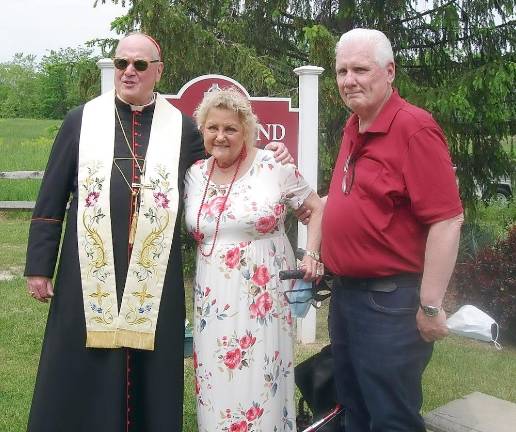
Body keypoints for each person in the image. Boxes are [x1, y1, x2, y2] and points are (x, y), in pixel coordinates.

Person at [24, 33, 293, 432]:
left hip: (155, 272)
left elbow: (227, 158)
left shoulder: (182, 128)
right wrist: (39, 266)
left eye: (139, 65)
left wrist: (270, 154)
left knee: (150, 365)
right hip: (89, 267)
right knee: (81, 363)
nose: (128, 72)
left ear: (158, 71)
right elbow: (51, 197)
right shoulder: (81, 120)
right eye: (121, 64)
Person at [321, 29, 464, 432]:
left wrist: (431, 305)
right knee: (353, 407)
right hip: (347, 297)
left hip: (389, 304)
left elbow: (446, 219)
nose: (349, 80)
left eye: (360, 69)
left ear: (389, 72)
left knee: (390, 417)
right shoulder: (355, 126)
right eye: (342, 71)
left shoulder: (414, 128)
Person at [184, 87, 324, 431]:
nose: (221, 136)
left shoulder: (272, 165)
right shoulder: (193, 175)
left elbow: (316, 208)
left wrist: (313, 254)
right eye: (212, 128)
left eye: (230, 128)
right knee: (217, 375)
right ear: (202, 130)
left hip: (263, 295)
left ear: (246, 130)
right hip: (211, 295)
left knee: (261, 374)